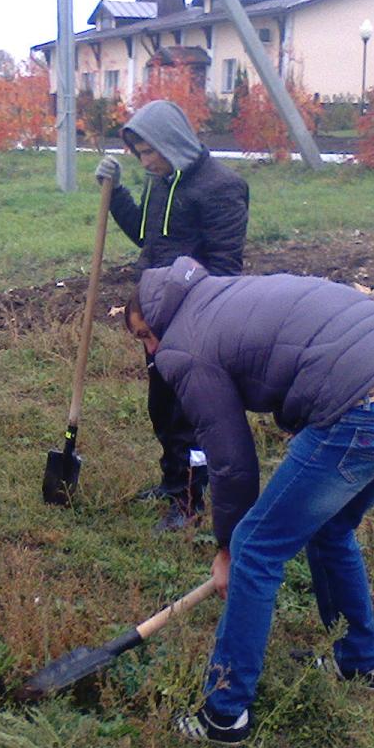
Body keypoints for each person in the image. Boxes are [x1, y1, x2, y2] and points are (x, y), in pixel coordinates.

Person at [123, 256, 374, 744]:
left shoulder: (183, 344)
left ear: (159, 316)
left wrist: (229, 547)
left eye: (146, 336)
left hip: (368, 407)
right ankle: (360, 661)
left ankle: (224, 713)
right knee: (332, 528)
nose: (149, 351)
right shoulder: (227, 294)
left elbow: (229, 460)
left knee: (257, 547)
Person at [96, 100, 249, 532]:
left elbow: (224, 266)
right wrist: (118, 192)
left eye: (150, 152)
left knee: (190, 413)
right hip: (158, 315)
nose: (146, 161)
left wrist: (188, 312)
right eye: (139, 154)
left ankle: (189, 501)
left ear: (171, 142)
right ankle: (172, 482)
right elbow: (146, 235)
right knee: (162, 407)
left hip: (195, 318)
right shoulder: (161, 180)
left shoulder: (221, 187)